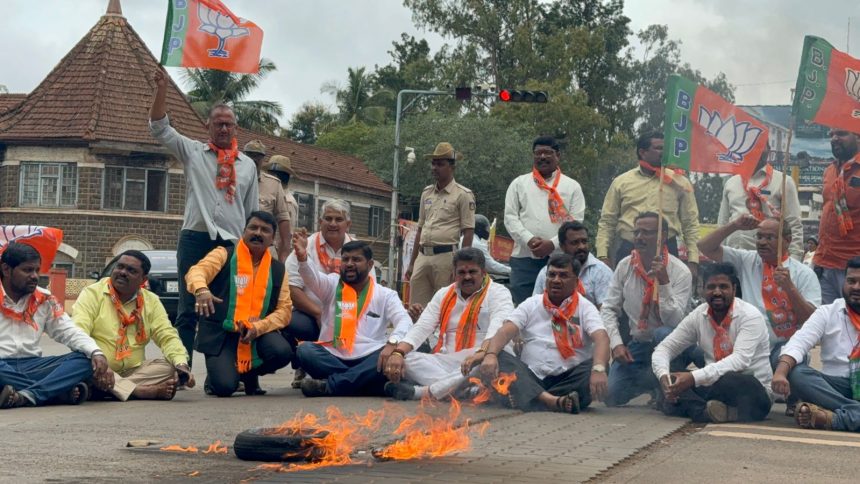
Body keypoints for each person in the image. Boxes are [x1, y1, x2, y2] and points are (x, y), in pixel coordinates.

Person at [150, 67, 259, 367]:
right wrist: (161, 89)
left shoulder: (248, 166)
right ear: (208, 125)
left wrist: (252, 250)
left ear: (236, 129)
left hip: (230, 244)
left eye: (229, 125)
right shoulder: (193, 152)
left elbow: (251, 213)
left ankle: (221, 370)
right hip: (195, 238)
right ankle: (181, 366)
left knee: (227, 306)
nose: (224, 130)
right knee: (187, 307)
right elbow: (160, 128)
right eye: (218, 124)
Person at [466, 253, 610, 413]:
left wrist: (598, 370)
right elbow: (505, 332)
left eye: (563, 275)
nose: (556, 280)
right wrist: (491, 355)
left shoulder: (585, 307)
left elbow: (601, 338)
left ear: (576, 282)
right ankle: (554, 401)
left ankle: (531, 398)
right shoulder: (532, 303)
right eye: (552, 275)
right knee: (500, 356)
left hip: (569, 379)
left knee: (599, 366)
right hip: (532, 375)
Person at [382, 248, 514, 400]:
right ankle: (466, 390)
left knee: (494, 356)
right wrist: (398, 353)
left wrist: (482, 353)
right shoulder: (443, 294)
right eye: (461, 273)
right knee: (406, 359)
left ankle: (425, 393)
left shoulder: (498, 292)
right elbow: (423, 326)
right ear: (454, 273)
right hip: (448, 361)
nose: (467, 277)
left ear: (483, 272)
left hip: (481, 358)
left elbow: (498, 325)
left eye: (472, 271)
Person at [185, 212, 292, 397]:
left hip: (255, 334)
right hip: (221, 333)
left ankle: (249, 373)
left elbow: (284, 310)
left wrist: (258, 328)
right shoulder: (223, 254)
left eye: (265, 230)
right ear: (244, 231)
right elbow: (196, 272)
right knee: (224, 387)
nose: (258, 233)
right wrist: (201, 290)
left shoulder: (278, 269)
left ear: (272, 239)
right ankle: (216, 378)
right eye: (253, 227)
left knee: (282, 352)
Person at [652, 263, 773, 423]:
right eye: (711, 287)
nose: (717, 292)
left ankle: (692, 407)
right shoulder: (699, 314)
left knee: (730, 378)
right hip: (714, 386)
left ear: (734, 289)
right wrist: (664, 377)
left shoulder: (750, 316)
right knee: (669, 377)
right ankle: (710, 411)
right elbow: (664, 348)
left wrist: (693, 378)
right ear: (703, 290)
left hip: (751, 391)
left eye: (723, 287)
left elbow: (740, 361)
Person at [292, 235, 412, 397]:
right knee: (305, 351)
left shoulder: (385, 294)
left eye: (356, 260)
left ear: (370, 265)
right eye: (345, 259)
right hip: (334, 355)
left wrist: (392, 343)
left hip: (370, 356)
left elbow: (404, 321)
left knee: (391, 355)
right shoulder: (332, 284)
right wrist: (303, 258)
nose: (349, 264)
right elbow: (312, 278)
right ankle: (365, 384)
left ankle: (332, 386)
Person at [698, 214, 821, 368]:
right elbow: (704, 246)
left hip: (784, 346)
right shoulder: (747, 260)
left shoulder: (804, 274)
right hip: (747, 343)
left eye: (770, 238)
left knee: (797, 375)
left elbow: (812, 320)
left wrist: (789, 288)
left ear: (787, 240)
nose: (762, 242)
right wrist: (734, 226)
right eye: (759, 237)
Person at [73, 250, 194, 401]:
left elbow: (166, 335)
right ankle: (138, 391)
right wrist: (98, 359)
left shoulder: (151, 301)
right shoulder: (92, 294)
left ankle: (103, 390)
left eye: (131, 270)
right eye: (120, 267)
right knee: (79, 365)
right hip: (98, 367)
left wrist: (181, 364)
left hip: (133, 371)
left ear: (143, 279)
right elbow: (79, 333)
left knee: (169, 369)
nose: (123, 272)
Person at [601, 212, 694, 407]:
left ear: (663, 236)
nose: (639, 238)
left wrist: (664, 283)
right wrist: (616, 344)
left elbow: (674, 321)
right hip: (640, 345)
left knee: (663, 332)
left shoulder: (680, 272)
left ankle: (670, 384)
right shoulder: (624, 266)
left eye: (647, 232)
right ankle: (650, 383)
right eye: (636, 232)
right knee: (611, 396)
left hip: (671, 344)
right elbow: (608, 309)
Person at [0, 242, 109, 408]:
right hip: (2, 366)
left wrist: (96, 352)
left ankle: (26, 395)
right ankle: (56, 392)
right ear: (6, 270)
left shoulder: (44, 299)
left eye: (37, 270)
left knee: (84, 360)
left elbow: (67, 330)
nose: (35, 276)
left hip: (33, 365)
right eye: (27, 270)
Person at [283, 199, 372, 387]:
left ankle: (338, 368)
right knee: (292, 322)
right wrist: (318, 313)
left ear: (348, 224)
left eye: (338, 219)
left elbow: (370, 288)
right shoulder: (304, 246)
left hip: (349, 314)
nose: (333, 224)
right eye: (328, 218)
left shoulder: (359, 249)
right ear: (320, 221)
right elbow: (292, 288)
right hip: (310, 313)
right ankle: (303, 364)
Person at [595, 132, 700, 280]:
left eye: (665, 148)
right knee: (627, 299)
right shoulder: (621, 182)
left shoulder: (680, 182)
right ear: (642, 152)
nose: (663, 152)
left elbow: (690, 224)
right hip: (629, 247)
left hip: (667, 249)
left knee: (665, 297)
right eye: (658, 148)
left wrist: (693, 260)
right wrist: (602, 255)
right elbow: (607, 221)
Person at [772, 256, 860, 432]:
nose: (856, 287)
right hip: (833, 388)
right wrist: (780, 373)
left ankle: (834, 419)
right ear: (844, 282)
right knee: (797, 373)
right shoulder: (828, 312)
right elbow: (799, 342)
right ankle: (853, 412)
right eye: (851, 281)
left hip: (831, 397)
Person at [504, 136, 586, 304]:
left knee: (560, 306)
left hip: (559, 259)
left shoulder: (572, 186)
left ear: (558, 155)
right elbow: (510, 217)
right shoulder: (519, 184)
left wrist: (553, 244)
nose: (542, 157)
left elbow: (576, 222)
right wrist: (529, 240)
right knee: (524, 307)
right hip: (524, 258)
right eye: (538, 153)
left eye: (547, 153)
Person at [406, 142, 476, 306]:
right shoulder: (426, 193)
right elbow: (420, 229)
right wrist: (411, 263)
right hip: (423, 256)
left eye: (440, 164)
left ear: (452, 167)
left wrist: (461, 266)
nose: (434, 168)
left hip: (446, 257)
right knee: (416, 308)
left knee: (446, 306)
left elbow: (468, 232)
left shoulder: (463, 195)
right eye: (433, 163)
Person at [717, 149, 804, 260]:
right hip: (733, 256)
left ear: (768, 151)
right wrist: (720, 257)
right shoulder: (731, 182)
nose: (756, 150)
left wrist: (795, 258)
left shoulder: (783, 181)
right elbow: (722, 222)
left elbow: (793, 222)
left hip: (768, 258)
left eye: (761, 145)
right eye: (752, 145)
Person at [815, 129, 860, 304]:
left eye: (841, 133)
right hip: (825, 264)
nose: (834, 138)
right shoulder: (829, 171)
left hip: (855, 267)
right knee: (828, 324)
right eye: (831, 134)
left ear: (857, 136)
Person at [532, 221, 613, 308]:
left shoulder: (601, 271)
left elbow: (606, 311)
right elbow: (535, 306)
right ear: (562, 246)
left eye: (584, 241)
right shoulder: (547, 272)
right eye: (575, 243)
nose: (581, 246)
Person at [243, 141, 293, 262]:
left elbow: (284, 222)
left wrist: (283, 259)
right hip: (237, 245)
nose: (253, 160)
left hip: (264, 248)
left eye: (258, 156)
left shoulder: (274, 184)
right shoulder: (232, 179)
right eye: (250, 155)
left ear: (263, 159)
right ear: (243, 156)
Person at [263, 154, 299, 233]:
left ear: (275, 177)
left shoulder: (288, 202)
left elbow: (286, 234)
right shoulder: (272, 195)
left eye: (268, 175)